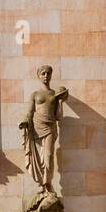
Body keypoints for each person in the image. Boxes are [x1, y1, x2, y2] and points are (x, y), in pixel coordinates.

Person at [19, 65, 68, 194]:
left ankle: (47, 182)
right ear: (39, 76)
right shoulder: (35, 94)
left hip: (50, 126)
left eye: (48, 73)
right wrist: (25, 121)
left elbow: (59, 116)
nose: (46, 76)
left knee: (49, 155)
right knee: (37, 156)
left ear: (51, 75)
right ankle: (41, 183)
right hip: (36, 127)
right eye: (43, 73)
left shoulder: (54, 94)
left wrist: (61, 102)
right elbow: (30, 111)